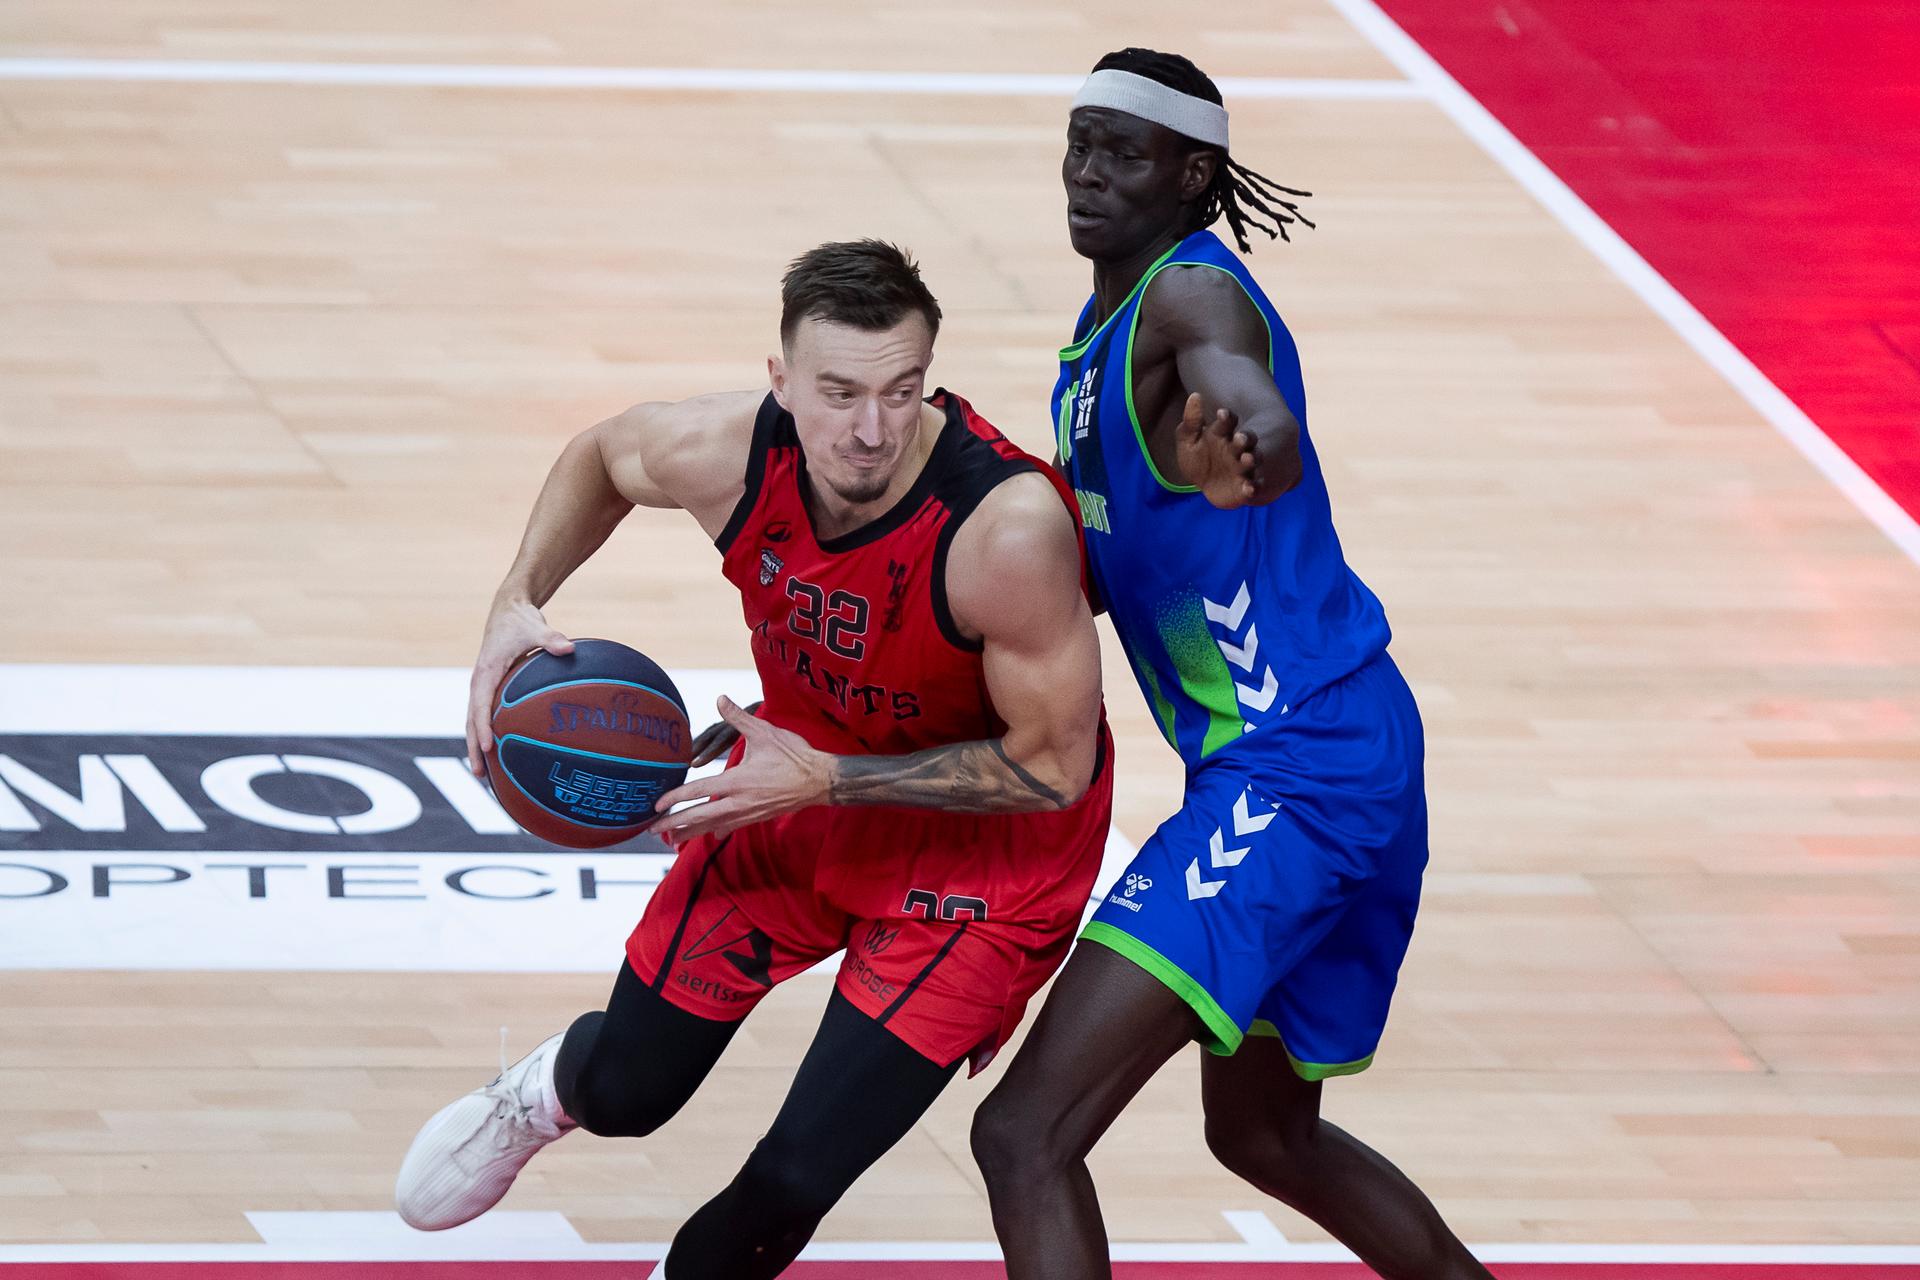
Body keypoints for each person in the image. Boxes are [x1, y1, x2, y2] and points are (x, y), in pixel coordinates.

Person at [393, 239, 1112, 1280]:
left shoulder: (1003, 528)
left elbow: (1054, 767)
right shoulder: (728, 449)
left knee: (789, 1180)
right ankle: (547, 1089)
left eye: (900, 392)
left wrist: (830, 776)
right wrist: (517, 597)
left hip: (981, 861)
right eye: (838, 393)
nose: (870, 429)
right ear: (781, 382)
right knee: (632, 1090)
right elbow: (601, 455)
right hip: (796, 782)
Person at [967, 49, 1494, 1280]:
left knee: (1022, 1134)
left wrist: (1254, 444)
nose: (1089, 171)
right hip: (1340, 745)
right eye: (1079, 141)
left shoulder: (1186, 299)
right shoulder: (1103, 334)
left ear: (1194, 173)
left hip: (1296, 768)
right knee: (1261, 1130)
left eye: (1125, 151)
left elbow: (1246, 396)